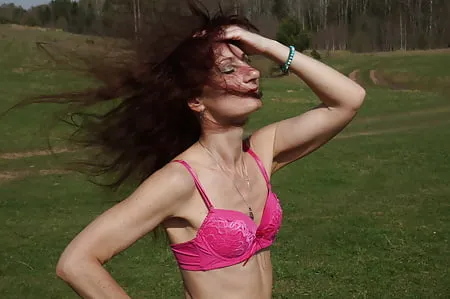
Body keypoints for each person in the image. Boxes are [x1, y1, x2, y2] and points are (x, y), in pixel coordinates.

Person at [53, 2, 366, 298]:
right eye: (229, 70)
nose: (252, 73)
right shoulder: (180, 180)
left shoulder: (261, 152)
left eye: (248, 62)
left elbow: (348, 99)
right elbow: (76, 262)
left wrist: (267, 46)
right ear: (196, 100)